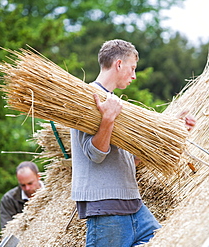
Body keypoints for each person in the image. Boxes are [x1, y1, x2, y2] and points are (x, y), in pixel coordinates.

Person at [70, 39, 196, 247]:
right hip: (107, 207)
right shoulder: (89, 98)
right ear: (119, 64)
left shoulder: (115, 103)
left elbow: (131, 160)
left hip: (133, 205)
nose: (134, 75)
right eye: (132, 68)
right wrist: (108, 119)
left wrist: (175, 132)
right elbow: (94, 154)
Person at [0, 161, 43, 230]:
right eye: (23, 185)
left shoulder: (54, 190)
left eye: (30, 183)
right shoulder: (9, 199)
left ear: (38, 177)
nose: (27, 188)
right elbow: (6, 231)